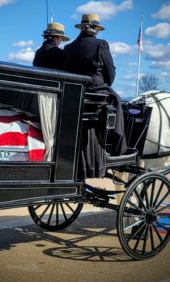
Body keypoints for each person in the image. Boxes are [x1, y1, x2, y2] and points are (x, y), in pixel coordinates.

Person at [63, 13, 127, 178]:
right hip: (97, 93)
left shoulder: (68, 48)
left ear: (82, 28)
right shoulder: (101, 45)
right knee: (117, 101)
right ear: (96, 29)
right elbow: (110, 73)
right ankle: (119, 146)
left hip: (74, 96)